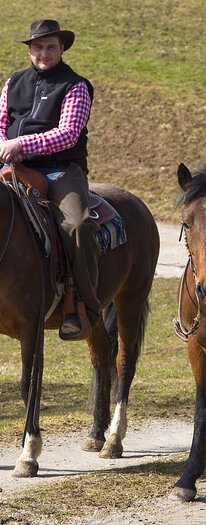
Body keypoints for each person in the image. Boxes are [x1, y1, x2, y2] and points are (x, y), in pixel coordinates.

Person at [0, 19, 100, 339]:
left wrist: (20, 145)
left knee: (77, 224)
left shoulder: (75, 86)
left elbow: (68, 135)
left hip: (59, 171)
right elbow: (2, 124)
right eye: (38, 47)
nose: (44, 53)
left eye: (51, 47)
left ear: (61, 49)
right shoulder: (12, 83)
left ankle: (83, 305)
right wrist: (4, 146)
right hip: (9, 167)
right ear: (30, 50)